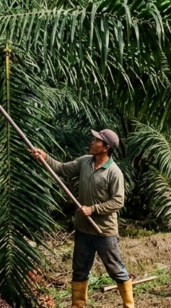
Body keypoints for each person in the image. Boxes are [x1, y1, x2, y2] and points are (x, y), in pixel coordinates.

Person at [30, 129, 132, 308]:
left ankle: (129, 305)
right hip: (83, 230)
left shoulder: (114, 172)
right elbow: (62, 169)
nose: (92, 142)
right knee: (79, 271)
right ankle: (77, 305)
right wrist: (45, 157)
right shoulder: (85, 162)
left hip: (104, 232)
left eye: (97, 141)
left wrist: (93, 209)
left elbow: (118, 201)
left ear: (106, 147)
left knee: (116, 270)